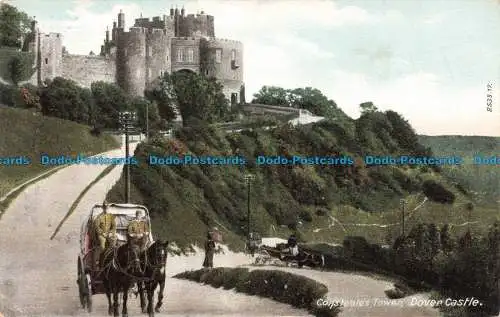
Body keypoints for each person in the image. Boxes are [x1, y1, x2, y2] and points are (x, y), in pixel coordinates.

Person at [93, 202, 117, 267]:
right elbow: (97, 227)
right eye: (105, 208)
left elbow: (114, 226)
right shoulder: (99, 217)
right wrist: (102, 233)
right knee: (102, 246)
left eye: (107, 208)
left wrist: (111, 232)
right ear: (103, 208)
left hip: (109, 234)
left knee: (114, 243)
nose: (106, 209)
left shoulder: (111, 216)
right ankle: (99, 260)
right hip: (102, 234)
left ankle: (113, 258)